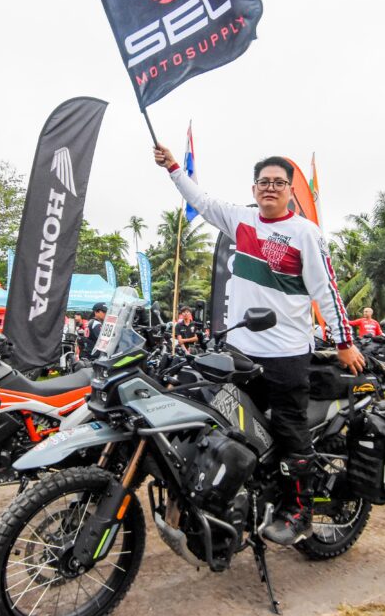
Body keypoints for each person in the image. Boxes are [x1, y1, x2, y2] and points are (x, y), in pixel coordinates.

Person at [154, 144, 364, 546]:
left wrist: (344, 343)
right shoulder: (241, 220)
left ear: (290, 191)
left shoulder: (305, 233)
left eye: (278, 183)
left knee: (288, 428)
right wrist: (174, 167)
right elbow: (200, 200)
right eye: (264, 182)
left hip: (286, 353)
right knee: (230, 426)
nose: (270, 187)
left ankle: (298, 510)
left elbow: (327, 291)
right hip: (240, 353)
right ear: (254, 189)